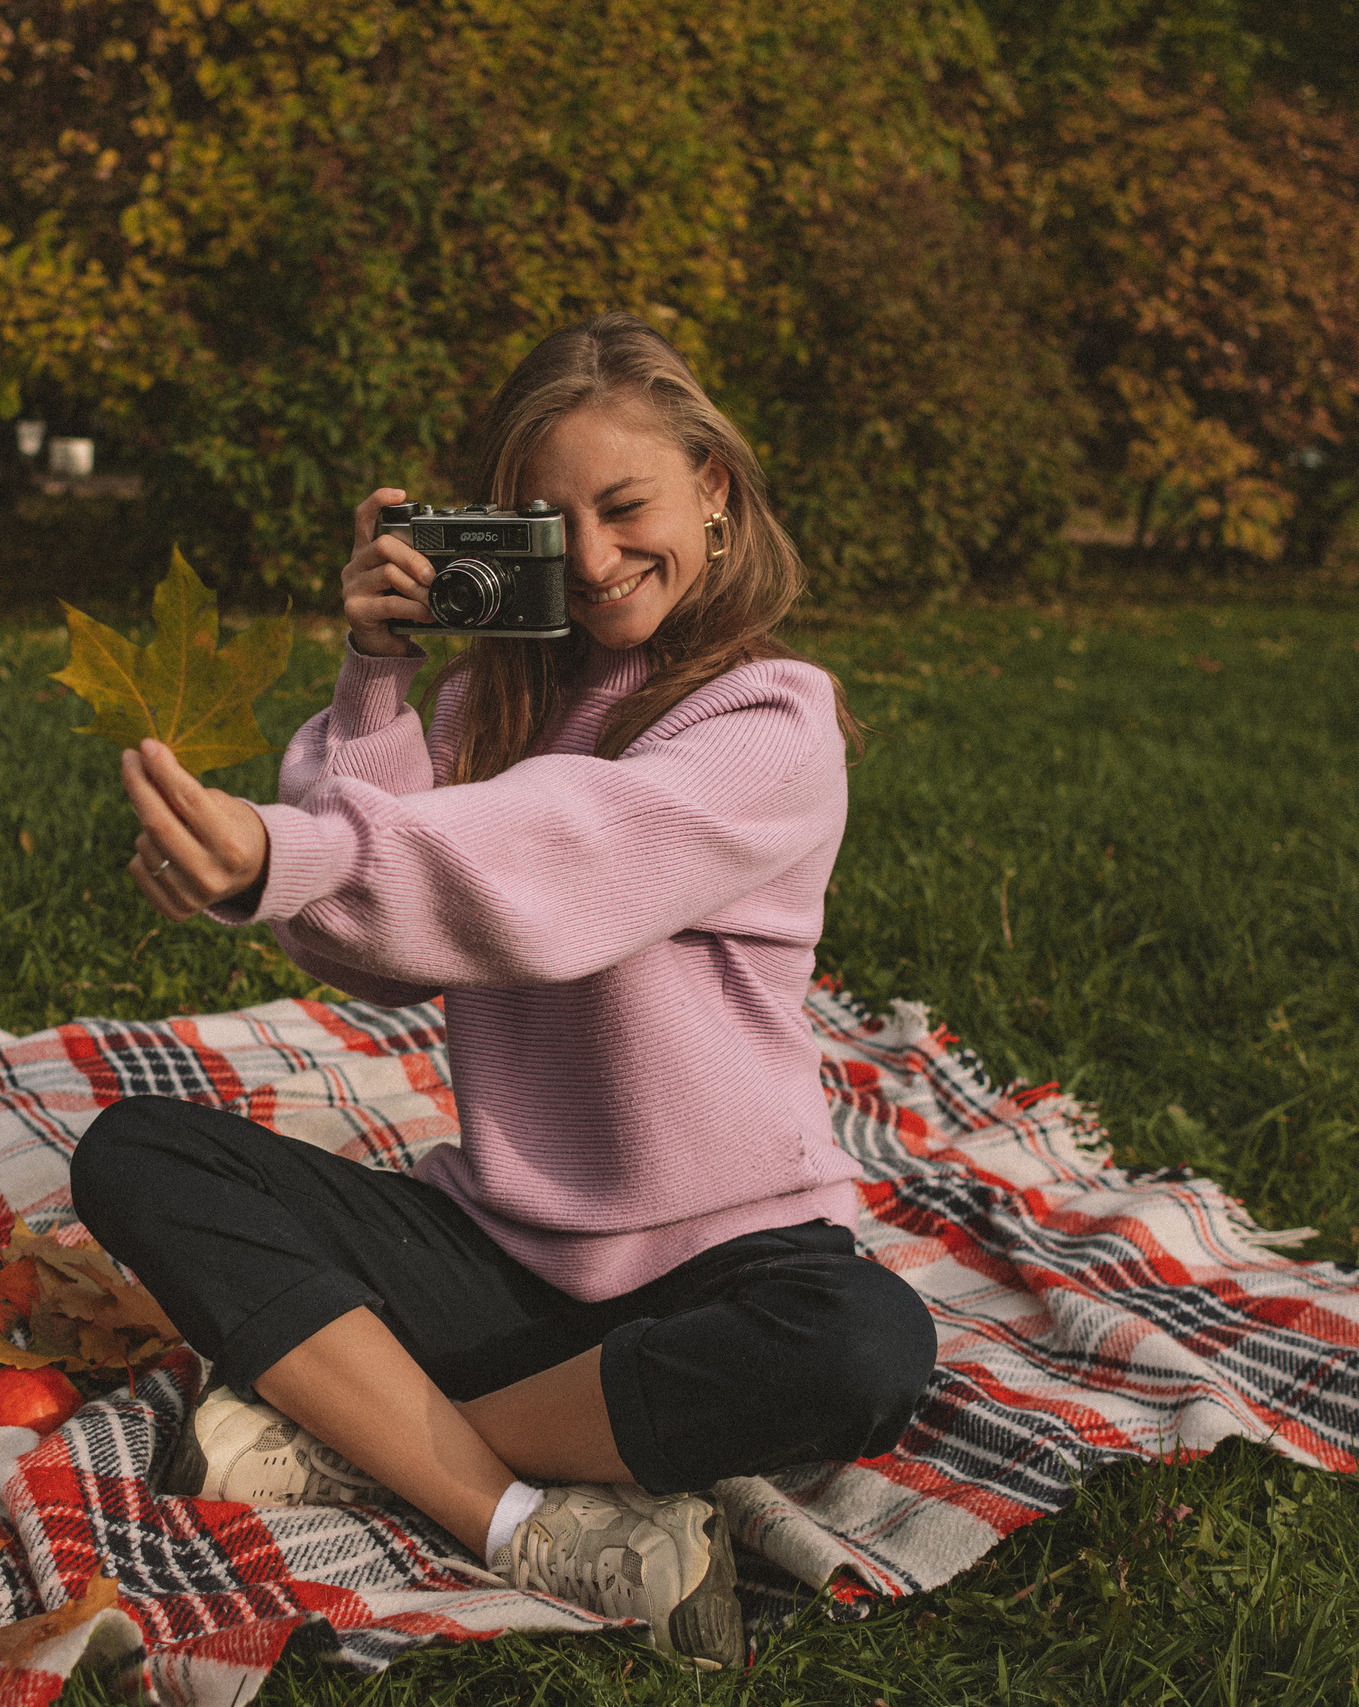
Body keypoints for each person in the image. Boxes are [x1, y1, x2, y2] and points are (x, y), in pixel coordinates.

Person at [70, 312, 936, 1670]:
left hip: (726, 1267)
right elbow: (373, 947)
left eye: (626, 506)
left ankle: (381, 1445)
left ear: (714, 488)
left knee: (866, 1347)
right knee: (140, 1151)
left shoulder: (771, 717)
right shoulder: (492, 707)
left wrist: (284, 854)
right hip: (505, 1254)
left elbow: (565, 853)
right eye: (551, 522)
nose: (592, 560)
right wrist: (377, 676)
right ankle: (513, 1506)